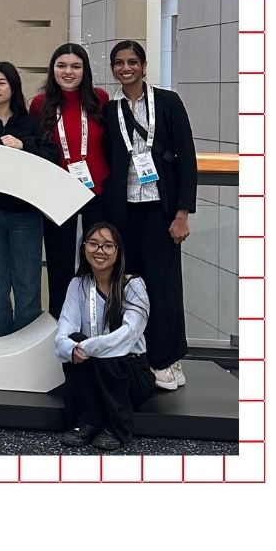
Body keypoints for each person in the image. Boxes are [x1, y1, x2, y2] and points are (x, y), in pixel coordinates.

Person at [102, 39, 198, 390]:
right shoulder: (108, 109)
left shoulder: (168, 103)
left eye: (132, 62)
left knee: (164, 286)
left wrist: (182, 213)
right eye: (118, 63)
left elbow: (187, 158)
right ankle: (136, 357)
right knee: (128, 286)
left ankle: (169, 360)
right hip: (124, 212)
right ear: (113, 68)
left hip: (161, 211)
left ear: (144, 66)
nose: (125, 68)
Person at [0, 62, 58, 337]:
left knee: (27, 286)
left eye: (1, 82)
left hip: (25, 215)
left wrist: (23, 145)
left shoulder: (31, 123)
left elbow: (50, 155)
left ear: (13, 87)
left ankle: (24, 350)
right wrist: (2, 140)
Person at [55, 222, 152, 451]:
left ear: (118, 252)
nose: (100, 251)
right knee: (76, 339)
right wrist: (72, 348)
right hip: (90, 366)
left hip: (131, 372)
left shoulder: (133, 285)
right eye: (93, 244)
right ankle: (86, 422)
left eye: (108, 246)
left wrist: (87, 348)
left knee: (110, 356)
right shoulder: (78, 284)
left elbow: (127, 336)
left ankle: (115, 427)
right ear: (84, 247)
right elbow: (63, 330)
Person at [30, 43, 110, 319]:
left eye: (76, 66)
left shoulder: (100, 99)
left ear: (85, 71)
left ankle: (95, 323)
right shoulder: (40, 104)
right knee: (59, 263)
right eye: (62, 66)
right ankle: (59, 325)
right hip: (58, 193)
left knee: (97, 261)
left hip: (95, 191)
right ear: (53, 70)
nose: (68, 72)